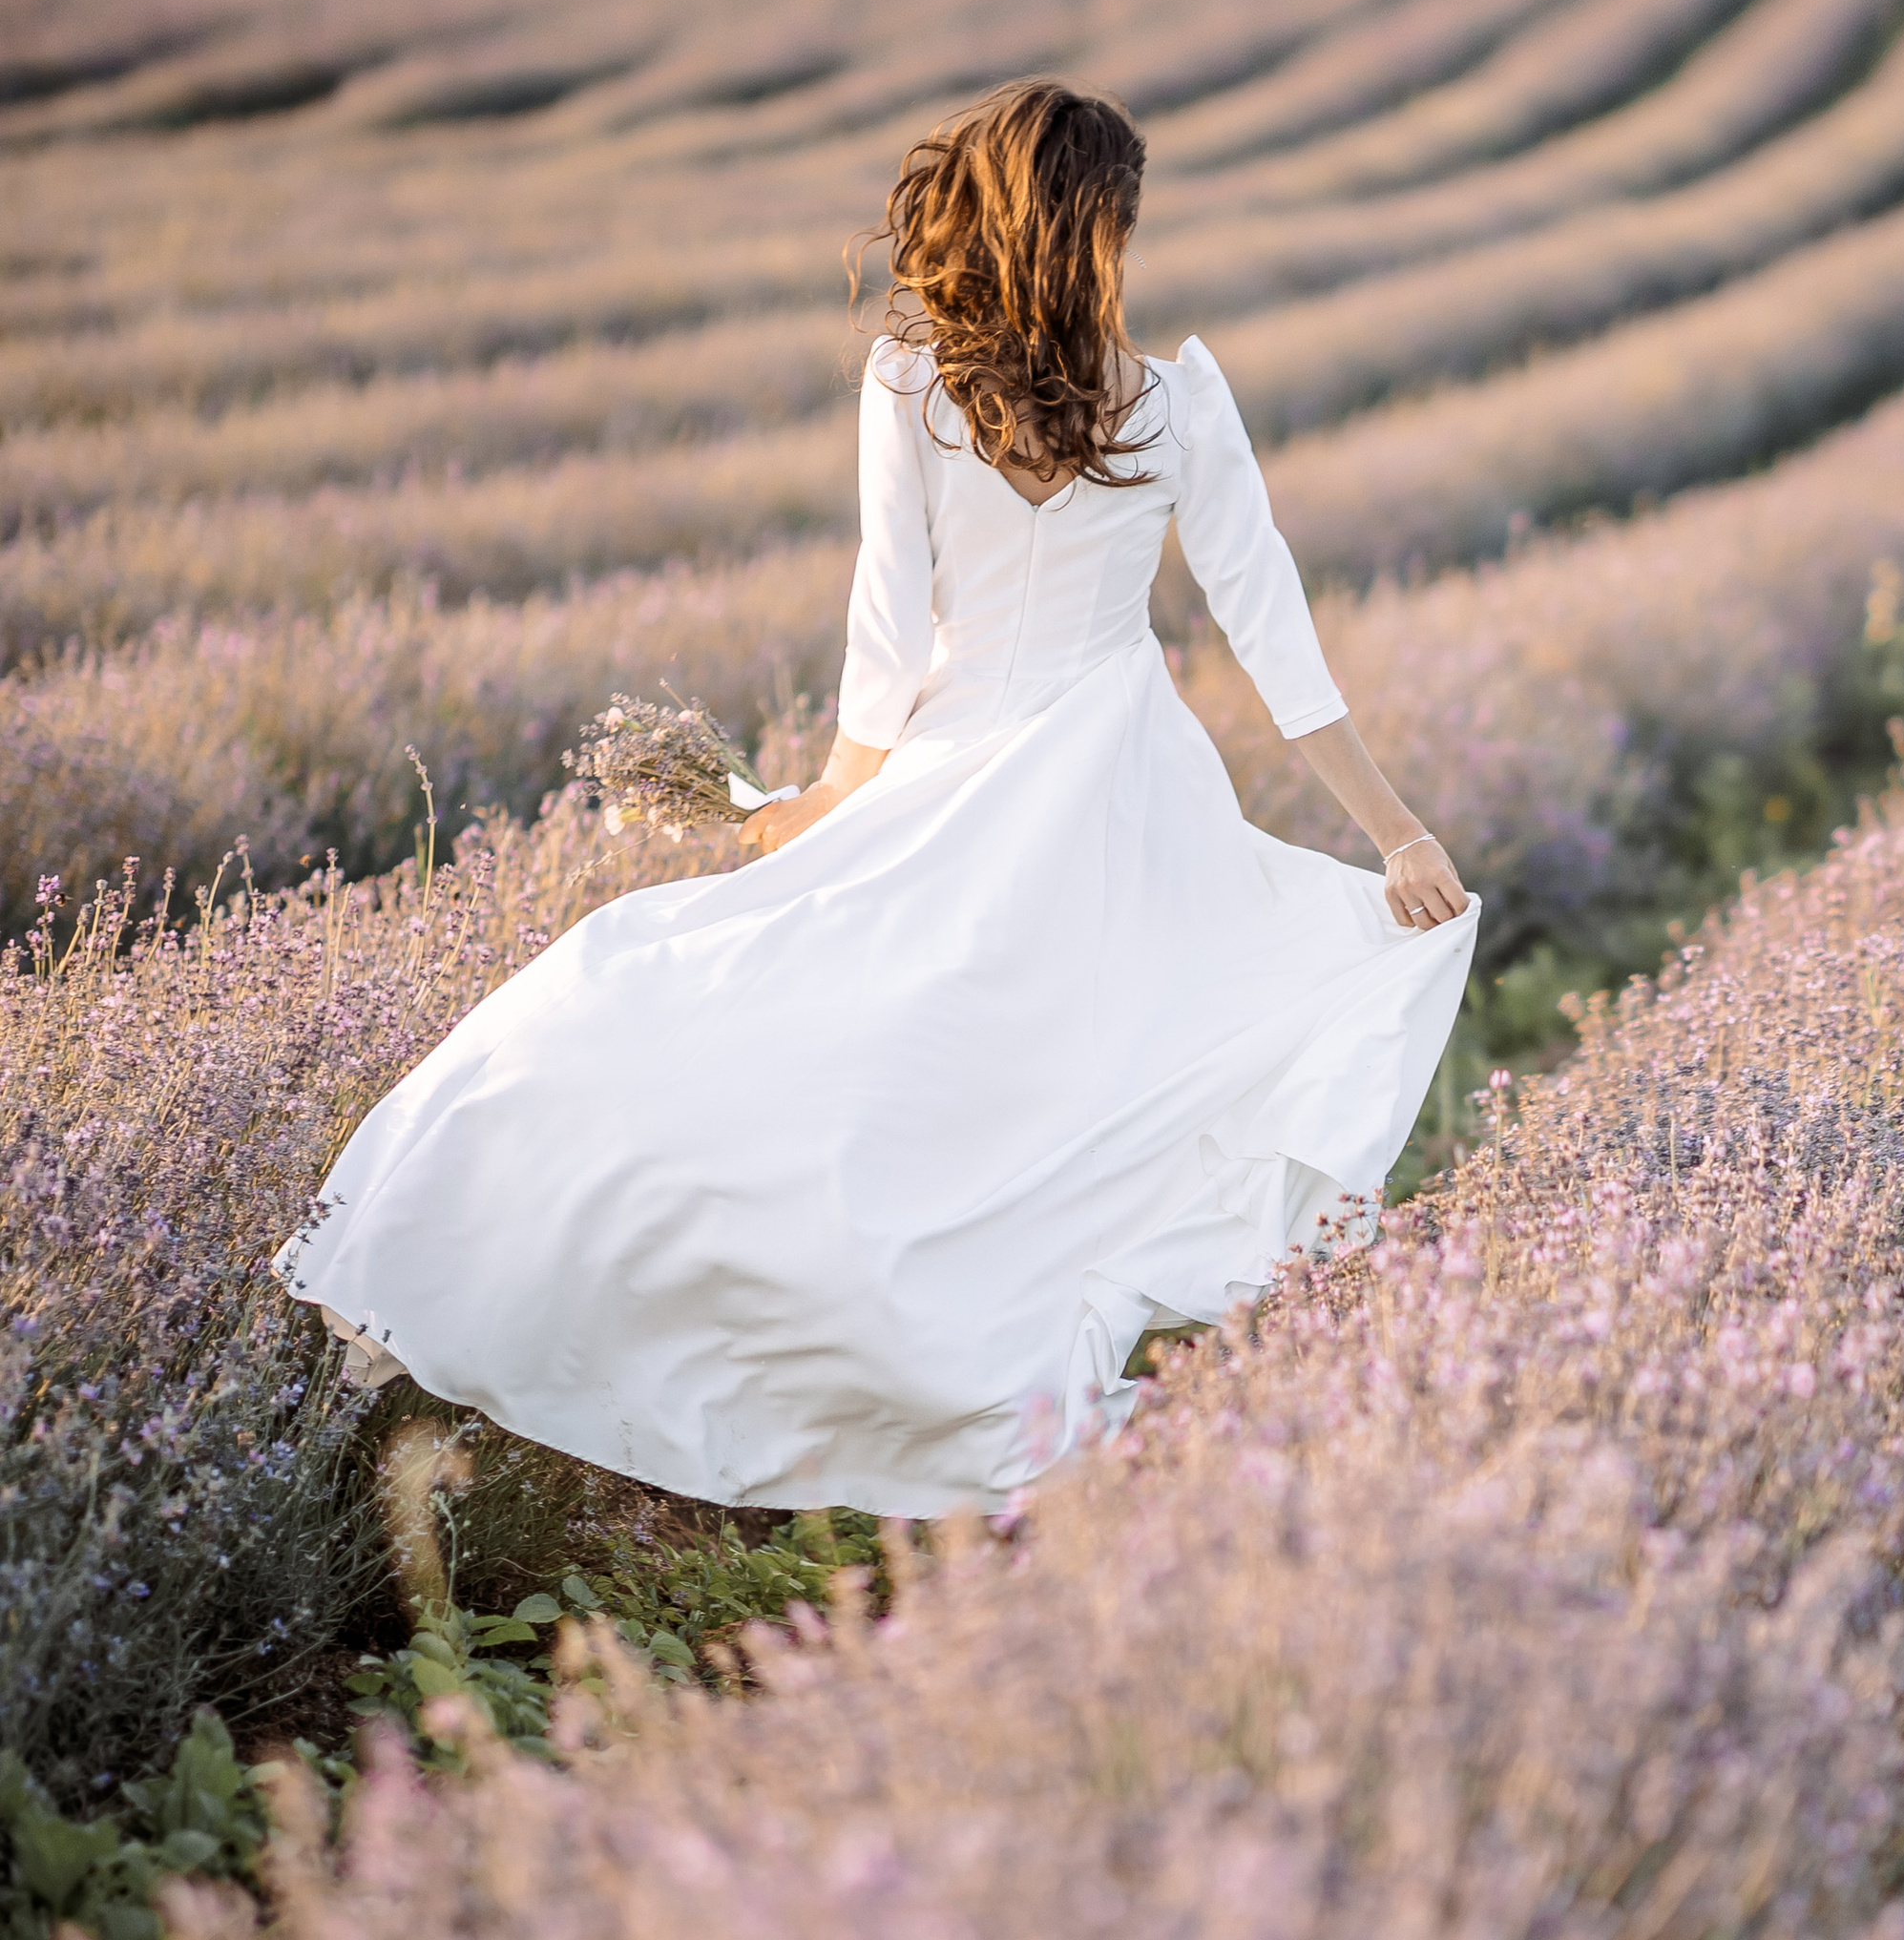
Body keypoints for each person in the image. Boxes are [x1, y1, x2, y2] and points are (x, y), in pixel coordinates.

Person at [278, 80, 1477, 1515]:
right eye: (1122, 219)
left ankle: (682, 1307)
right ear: (1091, 229)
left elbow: (907, 633)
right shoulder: (1142, 404)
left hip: (986, 770)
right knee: (1021, 1085)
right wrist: (1396, 834)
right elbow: (1255, 634)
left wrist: (834, 799)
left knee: (844, 1035)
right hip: (1096, 792)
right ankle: (925, 1365)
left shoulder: (944, 386)